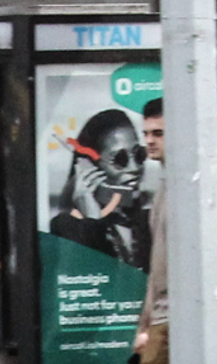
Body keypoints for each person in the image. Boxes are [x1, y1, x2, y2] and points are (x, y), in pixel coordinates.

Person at [51, 109, 149, 265]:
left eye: (139, 155)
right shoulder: (65, 228)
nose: (134, 167)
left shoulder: (148, 222)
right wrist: (92, 223)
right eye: (120, 159)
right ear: (89, 168)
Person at [132, 100, 168, 364]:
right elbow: (158, 267)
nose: (150, 141)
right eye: (146, 134)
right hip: (161, 317)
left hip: (170, 320)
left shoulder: (180, 190)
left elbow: (166, 269)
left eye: (158, 133)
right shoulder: (165, 188)